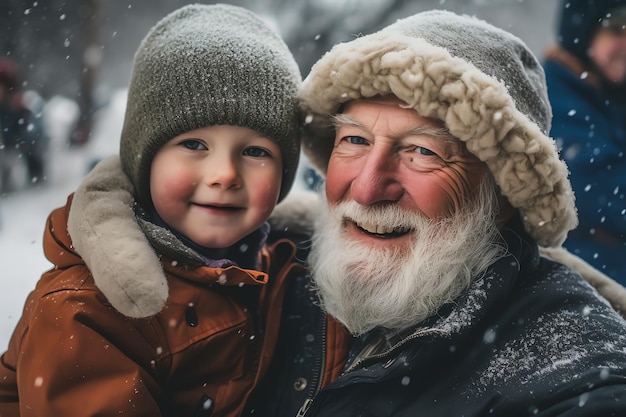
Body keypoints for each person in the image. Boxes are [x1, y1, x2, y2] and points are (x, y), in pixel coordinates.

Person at [53, 9, 626, 417]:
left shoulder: (565, 361)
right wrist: (113, 202)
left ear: (504, 193)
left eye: (423, 151)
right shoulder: (268, 270)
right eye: (352, 141)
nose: (369, 185)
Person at [0, 4, 355, 417]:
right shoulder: (87, 311)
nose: (224, 174)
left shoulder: (285, 263)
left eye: (255, 151)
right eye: (194, 145)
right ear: (144, 160)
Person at [543, 0, 626, 283]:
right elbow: (602, 192)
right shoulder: (555, 99)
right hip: (585, 291)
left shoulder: (608, 95)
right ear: (582, 31)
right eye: (616, 29)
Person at [0, 56, 48, 188]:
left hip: (18, 139)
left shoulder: (19, 105)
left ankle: (36, 176)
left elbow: (29, 131)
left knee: (31, 147)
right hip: (10, 141)